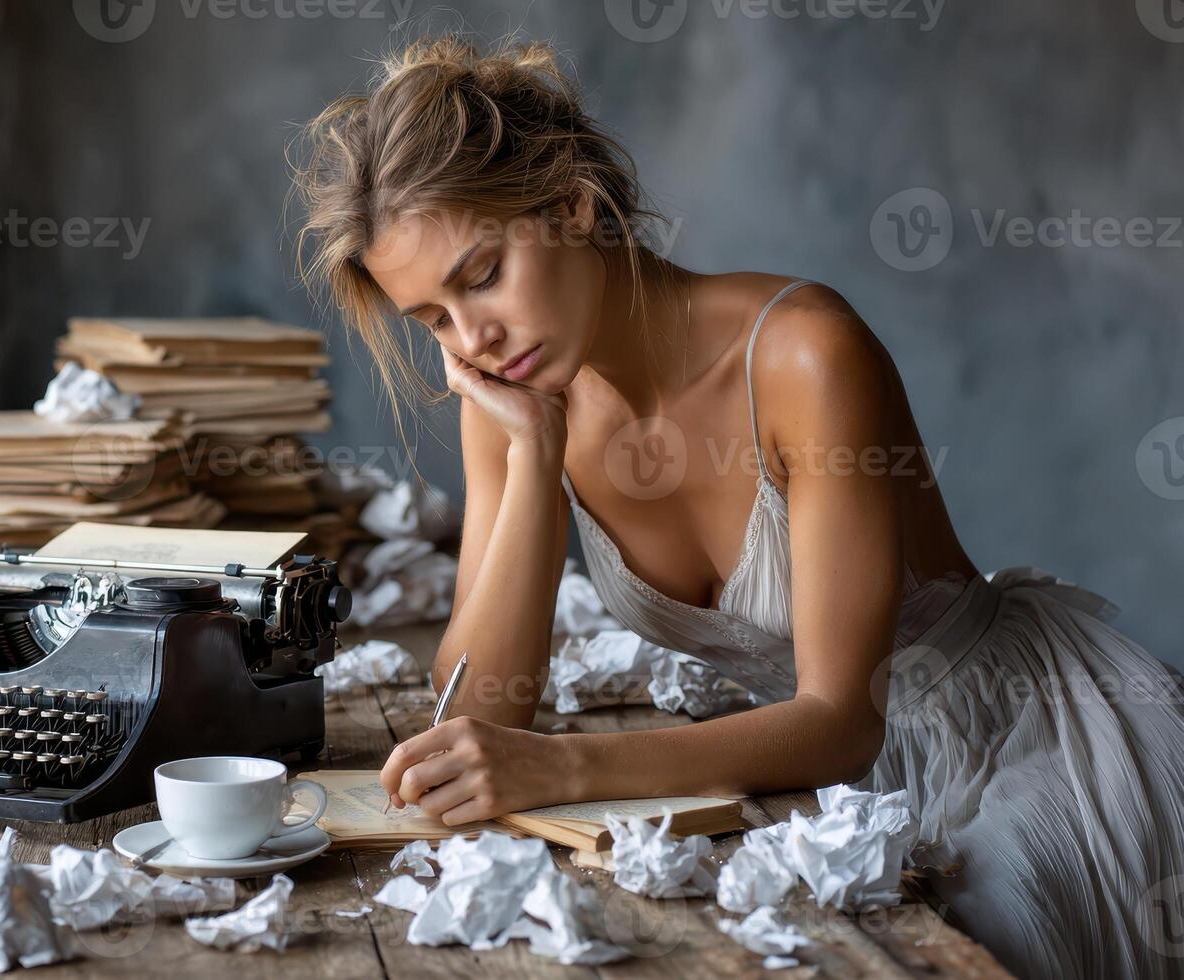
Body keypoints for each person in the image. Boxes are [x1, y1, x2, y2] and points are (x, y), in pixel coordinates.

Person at [289, 32, 1184, 978]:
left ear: (571, 205)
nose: (474, 337)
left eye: (482, 276)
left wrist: (565, 769)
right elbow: (479, 719)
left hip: (1016, 744)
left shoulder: (805, 355)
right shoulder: (510, 393)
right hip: (811, 793)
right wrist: (536, 449)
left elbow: (842, 719)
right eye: (433, 318)